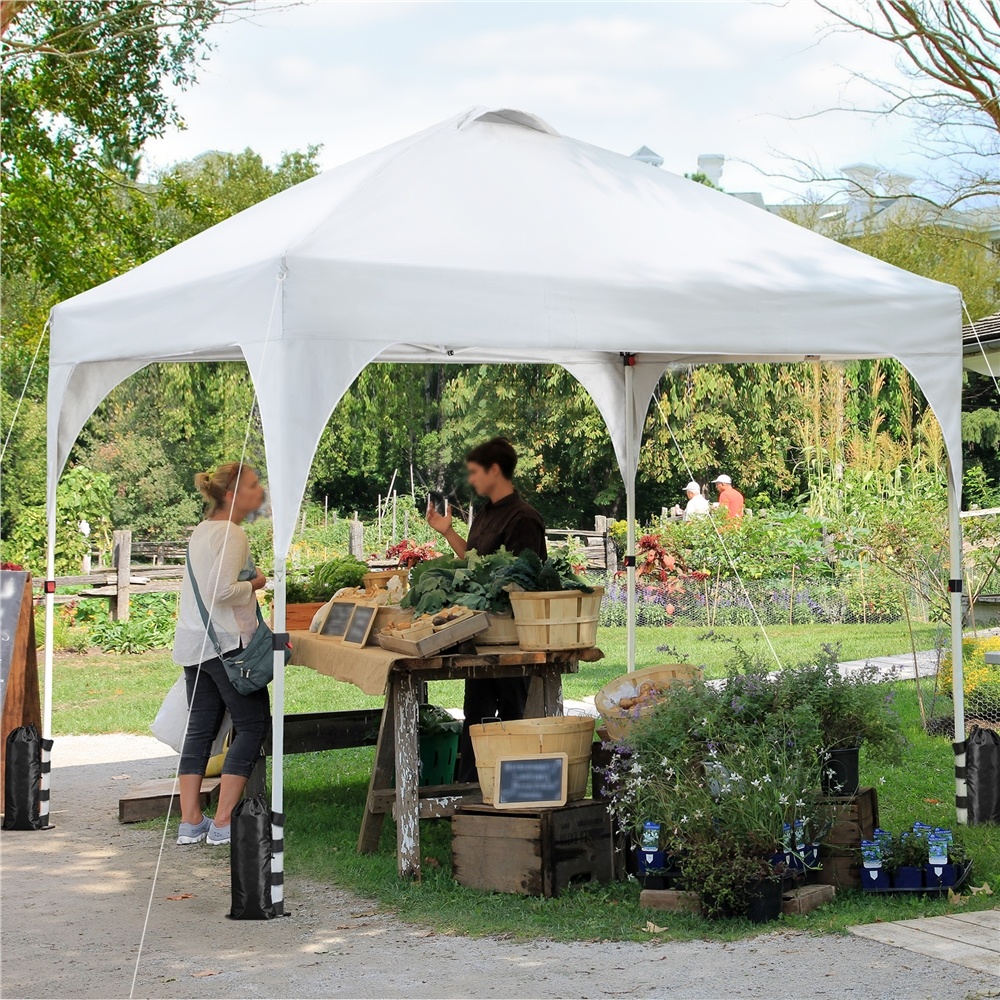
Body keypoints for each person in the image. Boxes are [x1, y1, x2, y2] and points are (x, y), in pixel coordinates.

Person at [425, 437, 546, 782]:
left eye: (476, 472)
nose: (472, 480)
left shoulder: (524, 518)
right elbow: (475, 561)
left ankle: (511, 794)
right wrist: (449, 533)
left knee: (512, 716)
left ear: (495, 470)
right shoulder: (487, 514)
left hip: (512, 638)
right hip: (482, 633)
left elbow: (523, 579)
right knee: (475, 714)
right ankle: (467, 793)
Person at [173, 462, 269, 846]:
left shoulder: (201, 530)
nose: (258, 492)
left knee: (200, 731)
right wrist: (256, 582)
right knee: (252, 725)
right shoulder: (232, 533)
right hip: (226, 645)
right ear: (231, 495)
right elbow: (223, 591)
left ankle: (190, 821)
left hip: (194, 643)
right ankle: (225, 822)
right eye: (251, 485)